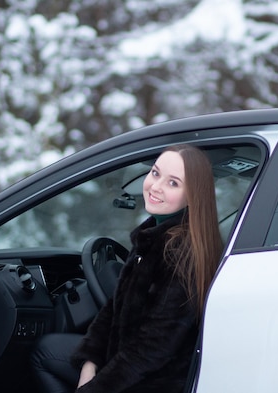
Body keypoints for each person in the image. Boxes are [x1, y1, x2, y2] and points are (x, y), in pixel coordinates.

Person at [31, 144, 223, 393]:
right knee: (46, 350)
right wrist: (90, 360)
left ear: (193, 196)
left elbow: (152, 349)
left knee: (44, 356)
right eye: (155, 173)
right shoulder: (154, 234)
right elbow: (113, 307)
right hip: (125, 359)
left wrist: (94, 388)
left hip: (151, 381)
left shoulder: (181, 254)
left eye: (173, 183)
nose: (156, 186)